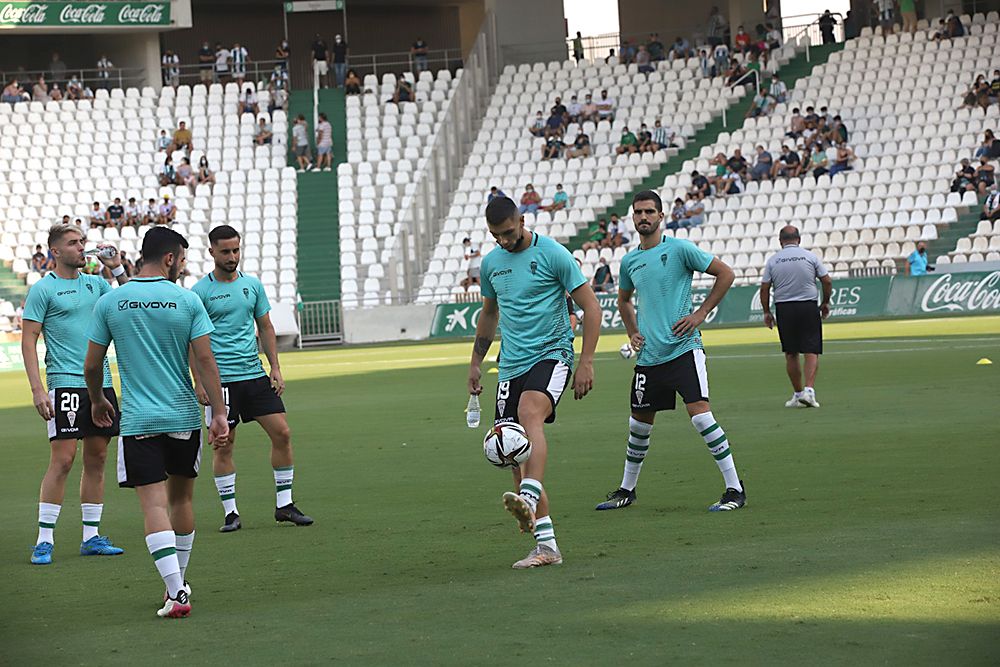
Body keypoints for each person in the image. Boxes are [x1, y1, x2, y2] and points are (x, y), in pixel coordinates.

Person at [84, 226, 228, 618]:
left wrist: (97, 400)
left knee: (153, 506)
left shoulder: (112, 302)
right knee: (181, 499)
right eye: (181, 259)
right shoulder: (187, 300)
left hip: (139, 421)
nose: (182, 266)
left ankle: (175, 591)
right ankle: (178, 584)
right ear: (169, 259)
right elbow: (205, 362)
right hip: (183, 415)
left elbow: (92, 364)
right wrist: (218, 413)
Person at [469, 196, 600, 569]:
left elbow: (591, 306)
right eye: (496, 236)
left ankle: (528, 494)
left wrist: (586, 360)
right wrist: (476, 362)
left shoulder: (554, 254)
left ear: (522, 220)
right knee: (511, 448)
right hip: (510, 364)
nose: (504, 241)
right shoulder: (492, 263)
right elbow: (489, 313)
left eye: (508, 233)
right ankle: (547, 547)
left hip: (552, 352)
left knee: (529, 414)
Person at [596, 190, 744, 513]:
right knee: (638, 425)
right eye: (638, 212)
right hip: (649, 358)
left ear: (661, 216)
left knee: (701, 417)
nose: (644, 217)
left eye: (650, 211)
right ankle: (627, 490)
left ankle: (735, 488)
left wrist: (700, 314)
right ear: (632, 217)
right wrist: (633, 331)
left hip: (683, 350)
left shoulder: (678, 249)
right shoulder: (630, 261)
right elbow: (623, 300)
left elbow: (726, 274)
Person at [188, 225, 312, 533]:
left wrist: (276, 367)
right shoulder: (200, 292)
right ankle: (231, 513)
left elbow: (266, 327)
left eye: (236, 250)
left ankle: (284, 505)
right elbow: (191, 339)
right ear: (212, 252)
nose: (232, 257)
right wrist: (199, 381)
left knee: (282, 433)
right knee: (224, 445)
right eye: (226, 251)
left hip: (254, 375)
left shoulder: (252, 286)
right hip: (221, 382)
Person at [22, 223, 129, 566]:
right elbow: (28, 340)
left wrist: (117, 269)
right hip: (64, 384)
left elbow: (130, 300)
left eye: (83, 241)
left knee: (97, 459)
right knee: (63, 460)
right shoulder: (43, 290)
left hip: (101, 384)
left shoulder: (97, 283)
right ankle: (44, 540)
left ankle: (91, 537)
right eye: (73, 243)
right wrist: (38, 389)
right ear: (55, 251)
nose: (82, 247)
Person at [759, 225, 832, 409]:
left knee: (791, 352)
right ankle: (809, 391)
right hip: (808, 305)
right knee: (811, 349)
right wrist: (825, 302)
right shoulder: (810, 257)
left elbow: (765, 287)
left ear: (780, 241)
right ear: (798, 239)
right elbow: (827, 280)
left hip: (785, 308)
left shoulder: (773, 260)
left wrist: (766, 311)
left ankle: (798, 393)